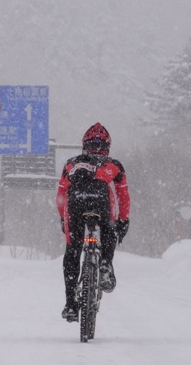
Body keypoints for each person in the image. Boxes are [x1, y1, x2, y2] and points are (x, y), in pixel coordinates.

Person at [56, 122, 130, 322]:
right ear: (108, 147)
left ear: (84, 145)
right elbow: (123, 196)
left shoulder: (71, 164)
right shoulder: (114, 165)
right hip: (102, 205)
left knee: (72, 252)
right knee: (108, 231)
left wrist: (64, 219)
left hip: (75, 206)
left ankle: (71, 304)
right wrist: (123, 221)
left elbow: (61, 194)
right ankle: (105, 263)